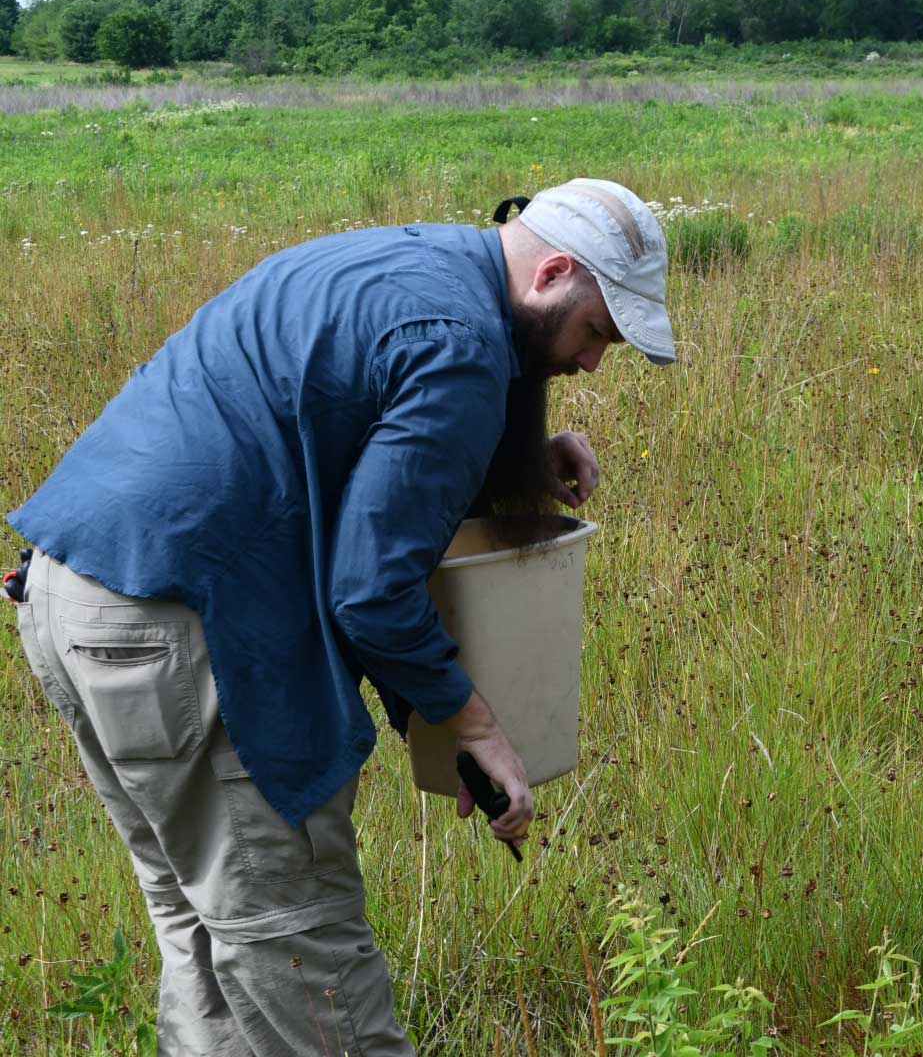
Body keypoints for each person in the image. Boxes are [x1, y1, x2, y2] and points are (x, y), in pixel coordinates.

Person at [6, 178, 674, 1055]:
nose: (593, 363)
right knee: (302, 951)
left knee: (211, 937)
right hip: (184, 631)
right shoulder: (462, 345)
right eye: (598, 332)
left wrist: (510, 455)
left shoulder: (413, 262)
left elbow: (345, 412)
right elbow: (370, 589)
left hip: (73, 597)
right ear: (551, 271)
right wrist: (470, 722)